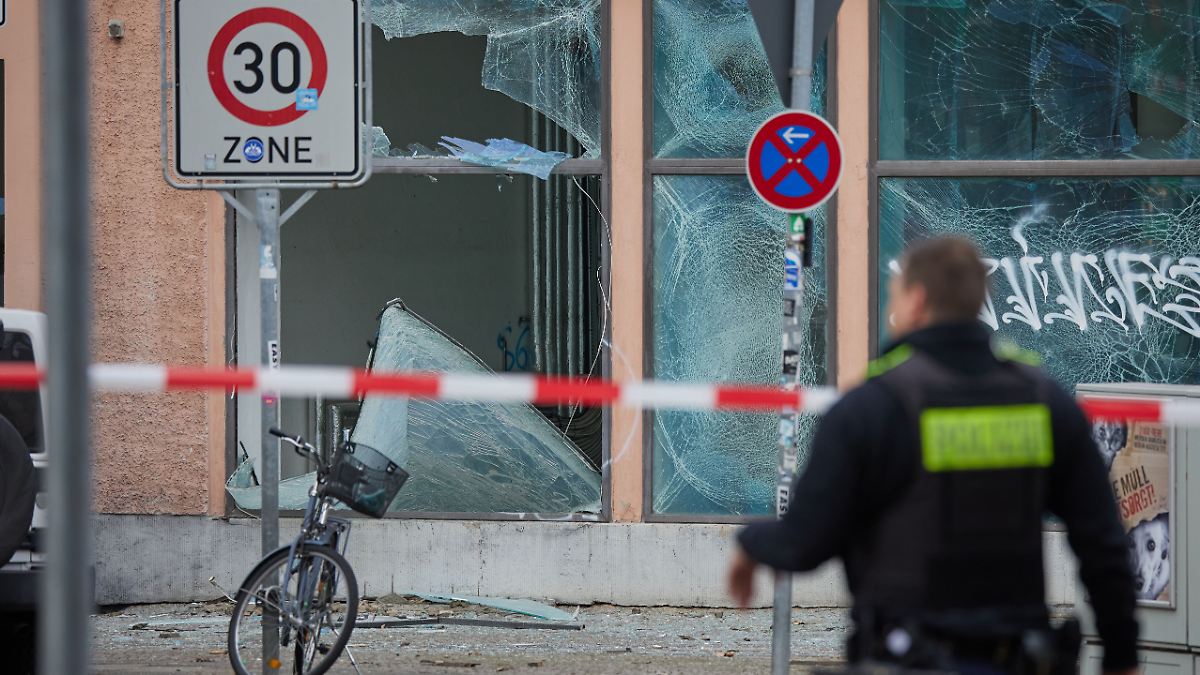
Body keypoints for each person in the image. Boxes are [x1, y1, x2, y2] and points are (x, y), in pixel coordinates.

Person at [727, 236, 1138, 675]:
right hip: (1018, 657)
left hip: (906, 655)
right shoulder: (1044, 401)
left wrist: (749, 546)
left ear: (917, 301)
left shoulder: (871, 408)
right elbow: (1102, 542)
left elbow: (804, 542)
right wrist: (1122, 656)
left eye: (895, 296)